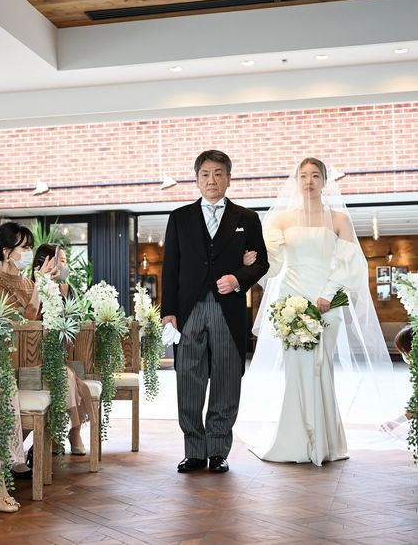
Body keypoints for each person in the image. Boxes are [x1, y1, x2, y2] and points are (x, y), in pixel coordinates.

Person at [243, 157, 392, 466]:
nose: (309, 181)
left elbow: (349, 262)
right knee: (296, 372)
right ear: (297, 181)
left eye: (315, 175)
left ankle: (325, 443)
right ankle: (296, 441)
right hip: (291, 304)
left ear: (325, 181)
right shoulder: (282, 220)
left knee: (322, 368)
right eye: (304, 176)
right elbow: (274, 265)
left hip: (327, 304)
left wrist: (328, 293)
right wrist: (251, 264)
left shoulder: (339, 219)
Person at [161, 149, 269, 474]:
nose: (212, 180)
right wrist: (168, 311)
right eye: (205, 174)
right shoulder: (179, 218)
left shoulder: (247, 219)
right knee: (188, 378)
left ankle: (218, 451)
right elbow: (171, 267)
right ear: (197, 179)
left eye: (218, 174)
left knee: (226, 378)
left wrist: (238, 278)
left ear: (228, 179)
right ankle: (194, 451)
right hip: (188, 310)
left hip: (228, 310)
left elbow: (261, 263)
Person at [32, 243, 91, 454]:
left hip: (63, 351)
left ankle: (68, 432)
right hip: (36, 354)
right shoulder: (32, 287)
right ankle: (70, 432)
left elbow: (76, 320)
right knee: (68, 378)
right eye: (62, 261)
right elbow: (30, 320)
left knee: (68, 375)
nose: (66, 265)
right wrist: (43, 284)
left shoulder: (67, 289)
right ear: (47, 263)